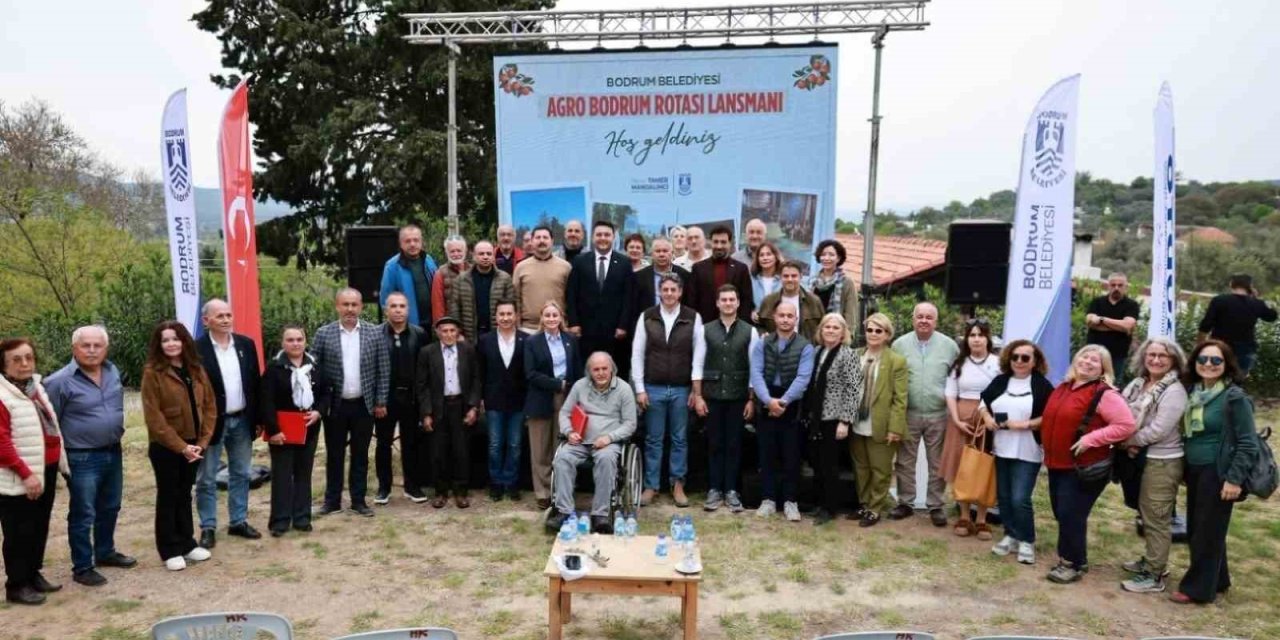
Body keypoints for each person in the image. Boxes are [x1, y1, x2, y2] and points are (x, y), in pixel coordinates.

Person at [44, 326, 136, 587]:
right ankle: (83, 566)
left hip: (113, 450)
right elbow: (51, 424)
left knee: (111, 505)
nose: (92, 350)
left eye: (98, 345)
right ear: (75, 348)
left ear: (106, 348)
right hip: (81, 457)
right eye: (86, 345)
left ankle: (105, 551)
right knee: (84, 512)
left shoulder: (112, 371)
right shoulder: (58, 381)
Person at [1169, 340, 1260, 604]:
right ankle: (1219, 579)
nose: (1209, 364)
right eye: (1203, 359)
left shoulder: (1234, 397)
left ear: (1227, 364)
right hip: (1196, 470)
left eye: (1216, 360)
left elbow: (1248, 442)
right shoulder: (1194, 391)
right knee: (1205, 527)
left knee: (1205, 531)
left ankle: (1197, 589)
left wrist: (1234, 478)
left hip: (1218, 472)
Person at [1040, 345, 1136, 584]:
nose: (1088, 361)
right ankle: (1076, 559)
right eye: (1085, 356)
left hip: (1083, 467)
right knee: (1062, 512)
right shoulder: (1063, 387)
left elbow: (1126, 425)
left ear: (1103, 368)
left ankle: (1070, 563)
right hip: (1057, 463)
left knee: (1071, 513)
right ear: (1076, 359)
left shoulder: (1105, 394)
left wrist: (1091, 439)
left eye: (1095, 360)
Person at [140, 322, 216, 572]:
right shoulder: (153, 372)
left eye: (176, 339)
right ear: (159, 345)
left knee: (185, 493)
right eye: (165, 340)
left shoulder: (196, 369)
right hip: (167, 447)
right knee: (169, 495)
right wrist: (181, 446)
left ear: (184, 341)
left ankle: (187, 543)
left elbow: (209, 407)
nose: (171, 344)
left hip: (195, 445)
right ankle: (169, 549)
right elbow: (154, 417)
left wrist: (202, 443)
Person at [311, 288, 390, 517]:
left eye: (354, 304)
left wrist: (381, 401)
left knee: (360, 454)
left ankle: (358, 500)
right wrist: (319, 404)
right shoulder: (323, 334)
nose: (349, 309)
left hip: (364, 405)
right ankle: (332, 500)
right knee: (334, 454)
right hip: (335, 405)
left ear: (361, 307)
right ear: (337, 306)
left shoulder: (374, 333)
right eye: (345, 304)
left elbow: (383, 371)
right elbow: (314, 371)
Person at [0, 338, 69, 604]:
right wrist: (25, 473)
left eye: (28, 357)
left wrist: (60, 462)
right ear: (4, 365)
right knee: (19, 531)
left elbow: (51, 427)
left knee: (39, 526)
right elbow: (2, 441)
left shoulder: (34, 387)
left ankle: (33, 573)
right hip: (20, 474)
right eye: (16, 359)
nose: (25, 363)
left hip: (46, 468)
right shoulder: (3, 395)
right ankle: (17, 584)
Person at [1118, 337, 1189, 593]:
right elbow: (1121, 410)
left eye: (1163, 356)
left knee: (1157, 516)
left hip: (1162, 461)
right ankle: (1152, 560)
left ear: (1174, 361)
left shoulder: (1174, 390)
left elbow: (1158, 430)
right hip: (1140, 457)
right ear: (1143, 357)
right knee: (1146, 513)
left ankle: (1154, 575)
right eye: (1152, 355)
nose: (1156, 360)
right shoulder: (1138, 385)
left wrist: (1126, 441)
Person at [193, 299, 263, 548]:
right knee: (206, 478)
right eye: (219, 315)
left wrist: (258, 419)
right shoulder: (195, 349)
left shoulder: (246, 344)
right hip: (212, 424)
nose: (225, 319)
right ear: (206, 321)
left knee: (242, 473)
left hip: (243, 419)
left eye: (228, 314)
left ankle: (238, 521)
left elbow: (254, 384)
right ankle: (208, 526)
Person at [631, 273, 705, 508]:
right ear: (659, 291)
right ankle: (651, 486)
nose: (669, 294)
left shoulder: (692, 317)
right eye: (665, 289)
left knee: (680, 439)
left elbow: (699, 355)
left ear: (680, 292)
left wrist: (696, 389)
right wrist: (640, 388)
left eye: (674, 289)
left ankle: (677, 484)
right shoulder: (647, 317)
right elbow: (637, 354)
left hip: (682, 389)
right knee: (653, 439)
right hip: (653, 387)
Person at [978, 339, 1053, 565]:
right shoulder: (1000, 381)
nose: (1019, 361)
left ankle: (1027, 540)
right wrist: (988, 418)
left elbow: (1050, 416)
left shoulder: (1042, 385)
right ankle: (1010, 535)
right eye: (1015, 357)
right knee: (1005, 497)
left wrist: (1024, 425)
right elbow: (983, 402)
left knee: (1021, 499)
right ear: (1008, 359)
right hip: (1001, 448)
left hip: (1028, 450)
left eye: (1025, 358)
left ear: (1034, 361)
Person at [546, 352, 638, 534]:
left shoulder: (624, 389)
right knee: (562, 458)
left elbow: (630, 424)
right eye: (596, 369)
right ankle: (564, 511)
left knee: (606, 460)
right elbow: (564, 413)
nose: (601, 373)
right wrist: (569, 431)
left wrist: (609, 438)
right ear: (589, 371)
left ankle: (600, 515)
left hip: (607, 443)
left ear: (612, 369)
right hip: (579, 440)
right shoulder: (580, 386)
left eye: (605, 369)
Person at [889, 302, 960, 527]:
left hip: (938, 413)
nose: (924, 321)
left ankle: (936, 505)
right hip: (908, 412)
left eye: (929, 317)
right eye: (920, 316)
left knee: (937, 462)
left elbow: (957, 378)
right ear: (913, 319)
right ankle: (905, 502)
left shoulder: (950, 346)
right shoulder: (899, 344)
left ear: (935, 321)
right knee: (905, 461)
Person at [259, 325, 328, 537]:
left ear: (305, 342)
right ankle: (280, 521)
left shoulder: (316, 366)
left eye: (299, 339)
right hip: (282, 430)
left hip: (308, 428)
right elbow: (266, 401)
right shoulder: (274, 368)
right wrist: (274, 430)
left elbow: (326, 393)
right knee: (281, 475)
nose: (295, 343)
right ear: (283, 343)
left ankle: (302, 518)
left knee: (303, 474)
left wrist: (318, 412)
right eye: (290, 340)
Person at [694, 285, 758, 513]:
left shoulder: (750, 331)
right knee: (714, 444)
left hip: (738, 396)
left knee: (734, 444)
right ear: (717, 303)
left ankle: (731, 490)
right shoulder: (705, 330)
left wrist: (751, 399)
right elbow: (697, 364)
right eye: (724, 300)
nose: (728, 303)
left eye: (732, 299)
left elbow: (754, 367)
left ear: (738, 303)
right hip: (711, 396)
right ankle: (714, 489)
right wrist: (698, 395)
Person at [749, 302, 815, 522]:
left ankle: (790, 501)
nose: (785, 319)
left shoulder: (805, 346)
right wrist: (769, 401)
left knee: (791, 455)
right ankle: (767, 500)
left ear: (796, 319)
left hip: (792, 403)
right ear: (774, 318)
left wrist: (783, 402)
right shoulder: (763, 343)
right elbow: (756, 374)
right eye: (781, 315)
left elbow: (803, 378)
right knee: (766, 454)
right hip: (767, 400)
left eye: (790, 316)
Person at [416, 316, 483, 509]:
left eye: (452, 331)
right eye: (444, 331)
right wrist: (426, 412)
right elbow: (422, 386)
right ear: (437, 333)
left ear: (458, 332)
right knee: (438, 452)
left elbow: (476, 380)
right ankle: (440, 492)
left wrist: (473, 407)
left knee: (461, 451)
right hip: (438, 407)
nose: (448, 334)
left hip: (461, 405)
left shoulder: (468, 350)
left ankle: (461, 492)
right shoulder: (427, 352)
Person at [943, 319, 1001, 540]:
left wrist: (989, 417)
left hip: (988, 420)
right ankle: (964, 515)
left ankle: (982, 518)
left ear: (988, 338)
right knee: (962, 466)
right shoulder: (959, 364)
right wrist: (956, 420)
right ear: (967, 339)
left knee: (985, 466)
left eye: (981, 335)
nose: (976, 339)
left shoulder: (998, 364)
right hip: (961, 419)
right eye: (972, 335)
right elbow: (949, 392)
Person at [848, 313, 907, 528]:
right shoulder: (854, 355)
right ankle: (864, 504)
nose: (873, 334)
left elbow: (900, 399)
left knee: (880, 470)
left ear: (888, 335)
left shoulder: (896, 361)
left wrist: (895, 428)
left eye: (878, 330)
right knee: (861, 468)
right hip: (856, 422)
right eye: (870, 330)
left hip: (881, 424)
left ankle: (875, 509)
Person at [806, 313, 866, 525]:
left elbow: (853, 389)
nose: (830, 330)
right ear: (821, 331)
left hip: (835, 418)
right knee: (817, 463)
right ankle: (819, 502)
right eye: (827, 327)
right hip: (816, 417)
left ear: (843, 333)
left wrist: (845, 421)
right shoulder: (817, 352)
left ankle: (830, 508)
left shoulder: (848, 355)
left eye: (835, 328)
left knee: (830, 465)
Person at [525, 302, 583, 510]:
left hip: (566, 399)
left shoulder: (571, 340)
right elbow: (530, 374)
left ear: (561, 317)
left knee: (561, 447)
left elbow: (577, 370)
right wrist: (557, 384)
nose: (551, 319)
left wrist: (576, 394)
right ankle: (542, 492)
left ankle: (561, 489)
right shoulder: (532, 342)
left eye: (554, 315)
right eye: (547, 315)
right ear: (541, 318)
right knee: (540, 449)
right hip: (540, 398)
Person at [373, 293, 429, 505]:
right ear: (386, 309)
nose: (398, 310)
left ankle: (412, 486)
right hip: (385, 400)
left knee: (411, 444)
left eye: (402, 306)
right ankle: (384, 487)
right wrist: (378, 401)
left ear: (408, 309)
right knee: (383, 444)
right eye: (393, 306)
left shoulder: (420, 334)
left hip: (411, 398)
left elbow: (425, 370)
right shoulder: (375, 334)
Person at [567, 220, 635, 379]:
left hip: (615, 333)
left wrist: (623, 325)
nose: (603, 238)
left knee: (615, 372)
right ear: (592, 238)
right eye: (599, 234)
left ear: (613, 238)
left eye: (607, 235)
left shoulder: (624, 263)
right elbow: (571, 294)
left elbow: (628, 297)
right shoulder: (579, 261)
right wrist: (574, 323)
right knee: (588, 372)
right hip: (586, 330)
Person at [477, 301, 528, 502]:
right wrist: (480, 398)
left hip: (518, 400)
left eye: (509, 313)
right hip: (493, 400)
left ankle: (511, 481)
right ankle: (496, 482)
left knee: (515, 443)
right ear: (495, 317)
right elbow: (480, 372)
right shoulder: (485, 341)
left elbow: (528, 373)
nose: (505, 318)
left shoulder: (526, 340)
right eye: (501, 314)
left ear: (516, 316)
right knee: (495, 444)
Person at [1197, 274, 1278, 376]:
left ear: (1231, 284)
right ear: (1250, 286)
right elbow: (1272, 317)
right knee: (1237, 382)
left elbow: (1205, 325)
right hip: (1246, 350)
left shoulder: (1219, 300)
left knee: (1216, 379)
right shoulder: (1257, 304)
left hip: (1220, 347)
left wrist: (1200, 346)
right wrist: (1257, 299)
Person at [449, 240, 516, 343]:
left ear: (493, 256)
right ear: (474, 256)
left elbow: (512, 306)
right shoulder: (461, 279)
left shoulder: (505, 278)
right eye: (481, 254)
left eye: (489, 254)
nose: (485, 257)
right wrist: (458, 333)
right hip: (469, 336)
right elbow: (454, 308)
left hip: (497, 335)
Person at [689, 226, 755, 327]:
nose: (719, 246)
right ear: (710, 243)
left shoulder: (741, 269)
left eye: (723, 242)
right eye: (716, 242)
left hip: (735, 327)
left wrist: (742, 326)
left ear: (730, 244)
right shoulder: (698, 269)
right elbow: (691, 302)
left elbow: (747, 301)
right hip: (705, 327)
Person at [513, 226, 573, 334]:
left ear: (552, 241)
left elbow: (572, 299)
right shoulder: (521, 267)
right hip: (529, 329)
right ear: (532, 241)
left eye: (545, 237)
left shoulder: (565, 267)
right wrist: (517, 327)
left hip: (558, 327)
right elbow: (515, 299)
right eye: (538, 237)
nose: (542, 241)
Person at [1084, 273, 1141, 386]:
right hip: (1094, 354)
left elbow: (1127, 326)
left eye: (1120, 285)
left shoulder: (1131, 305)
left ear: (1126, 287)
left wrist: (1101, 319)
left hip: (1116, 356)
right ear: (1108, 286)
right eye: (1113, 285)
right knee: (1089, 383)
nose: (1116, 288)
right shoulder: (1097, 302)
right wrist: (1118, 326)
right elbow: (1090, 321)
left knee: (1109, 386)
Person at [379, 224, 439, 330]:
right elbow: (385, 299)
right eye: (408, 241)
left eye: (416, 240)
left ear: (421, 242)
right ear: (401, 244)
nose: (412, 244)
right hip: (407, 327)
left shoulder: (428, 260)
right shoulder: (392, 266)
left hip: (431, 324)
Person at [756, 260, 824, 340]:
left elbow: (822, 327)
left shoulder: (814, 301)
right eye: (786, 276)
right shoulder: (769, 301)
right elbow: (759, 325)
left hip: (805, 350)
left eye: (794, 276)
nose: (790, 279)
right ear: (780, 277)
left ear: (801, 276)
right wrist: (764, 334)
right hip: (775, 350)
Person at [809, 239, 860, 332]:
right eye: (823, 254)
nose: (826, 258)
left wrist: (848, 334)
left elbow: (850, 313)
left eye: (831, 255)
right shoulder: (813, 281)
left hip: (836, 332)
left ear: (838, 258)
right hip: (814, 331)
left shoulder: (846, 282)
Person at [633, 237, 692, 313]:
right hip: (648, 321)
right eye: (658, 251)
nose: (661, 254)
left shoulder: (685, 275)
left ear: (672, 253)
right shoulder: (639, 277)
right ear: (652, 254)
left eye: (665, 251)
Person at [431, 234, 470, 325]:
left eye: (459, 251)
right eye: (452, 251)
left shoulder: (473, 270)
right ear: (446, 253)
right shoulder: (440, 274)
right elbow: (438, 306)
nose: (456, 254)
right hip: (451, 328)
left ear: (465, 251)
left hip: (472, 328)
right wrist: (441, 327)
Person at [749, 242, 784, 324]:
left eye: (769, 254)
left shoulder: (784, 279)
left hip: (780, 325)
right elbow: (746, 303)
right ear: (757, 259)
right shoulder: (751, 280)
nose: (765, 258)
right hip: (757, 326)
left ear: (776, 257)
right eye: (761, 255)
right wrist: (751, 313)